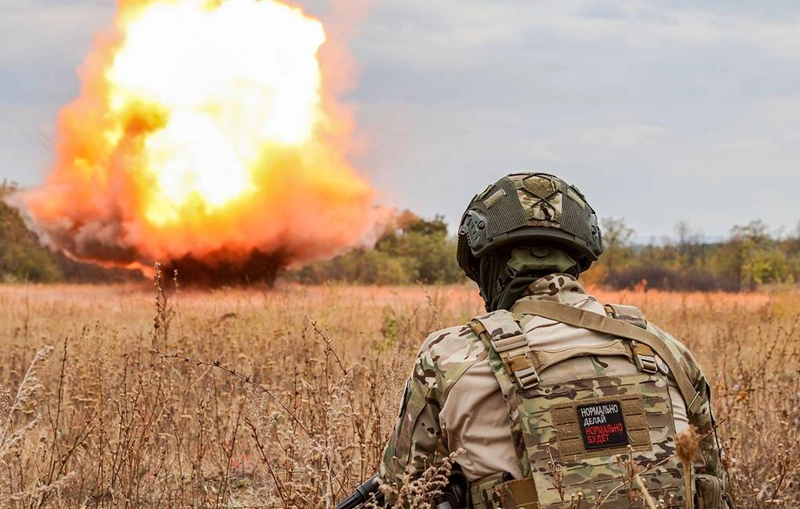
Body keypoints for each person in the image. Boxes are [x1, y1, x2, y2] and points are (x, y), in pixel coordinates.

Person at [379, 173, 731, 508]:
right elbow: (712, 478)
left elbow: (401, 491)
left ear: (489, 269)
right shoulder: (662, 346)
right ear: (577, 259)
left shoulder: (449, 355)